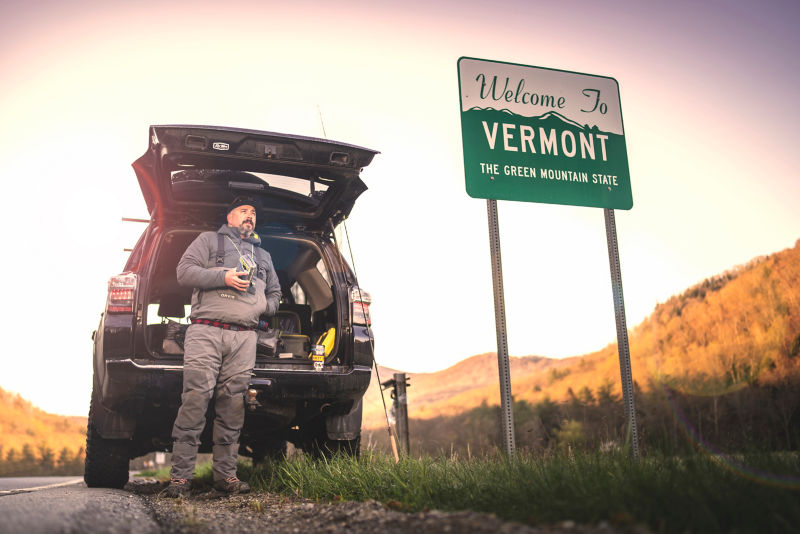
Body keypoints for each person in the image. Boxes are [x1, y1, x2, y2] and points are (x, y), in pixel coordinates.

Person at [165, 196, 281, 497]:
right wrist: (224, 277)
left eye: (253, 213)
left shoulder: (264, 255)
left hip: (245, 337)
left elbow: (276, 293)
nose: (250, 216)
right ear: (229, 216)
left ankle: (225, 477)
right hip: (206, 332)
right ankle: (180, 479)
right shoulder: (208, 241)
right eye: (244, 211)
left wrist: (261, 305)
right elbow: (184, 272)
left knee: (233, 405)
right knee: (194, 400)